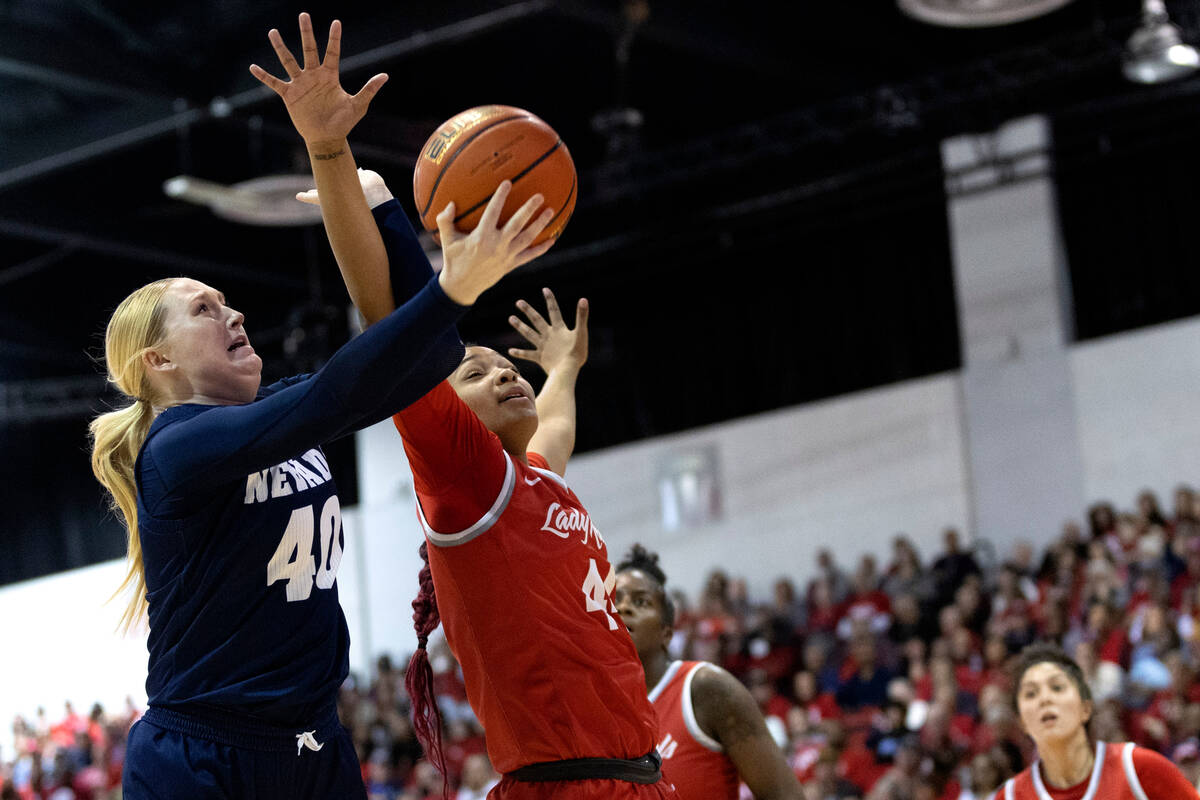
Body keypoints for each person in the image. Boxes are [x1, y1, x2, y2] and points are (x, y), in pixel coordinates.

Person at [87, 15, 550, 800]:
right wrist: (449, 286)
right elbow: (338, 392)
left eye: (228, 303)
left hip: (316, 747)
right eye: (205, 310)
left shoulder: (264, 417)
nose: (233, 315)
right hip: (203, 759)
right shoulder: (176, 448)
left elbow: (427, 361)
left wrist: (374, 199)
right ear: (154, 362)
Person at [294, 51, 675, 800]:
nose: (504, 371)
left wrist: (562, 367)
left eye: (507, 365)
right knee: (407, 330)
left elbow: (554, 431)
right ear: (447, 411)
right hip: (568, 787)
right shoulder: (465, 482)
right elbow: (390, 326)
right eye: (474, 372)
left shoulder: (532, 480)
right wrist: (338, 158)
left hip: (639, 783)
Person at [612, 544, 803, 800]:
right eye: (614, 601)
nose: (623, 609)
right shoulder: (596, 709)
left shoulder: (705, 688)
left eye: (640, 601)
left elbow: (784, 795)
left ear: (667, 633)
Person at [1000, 642, 1199, 799]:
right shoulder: (1011, 795)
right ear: (1022, 722)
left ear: (1085, 707)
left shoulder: (1138, 768)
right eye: (1031, 694)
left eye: (1057, 687)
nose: (1045, 700)